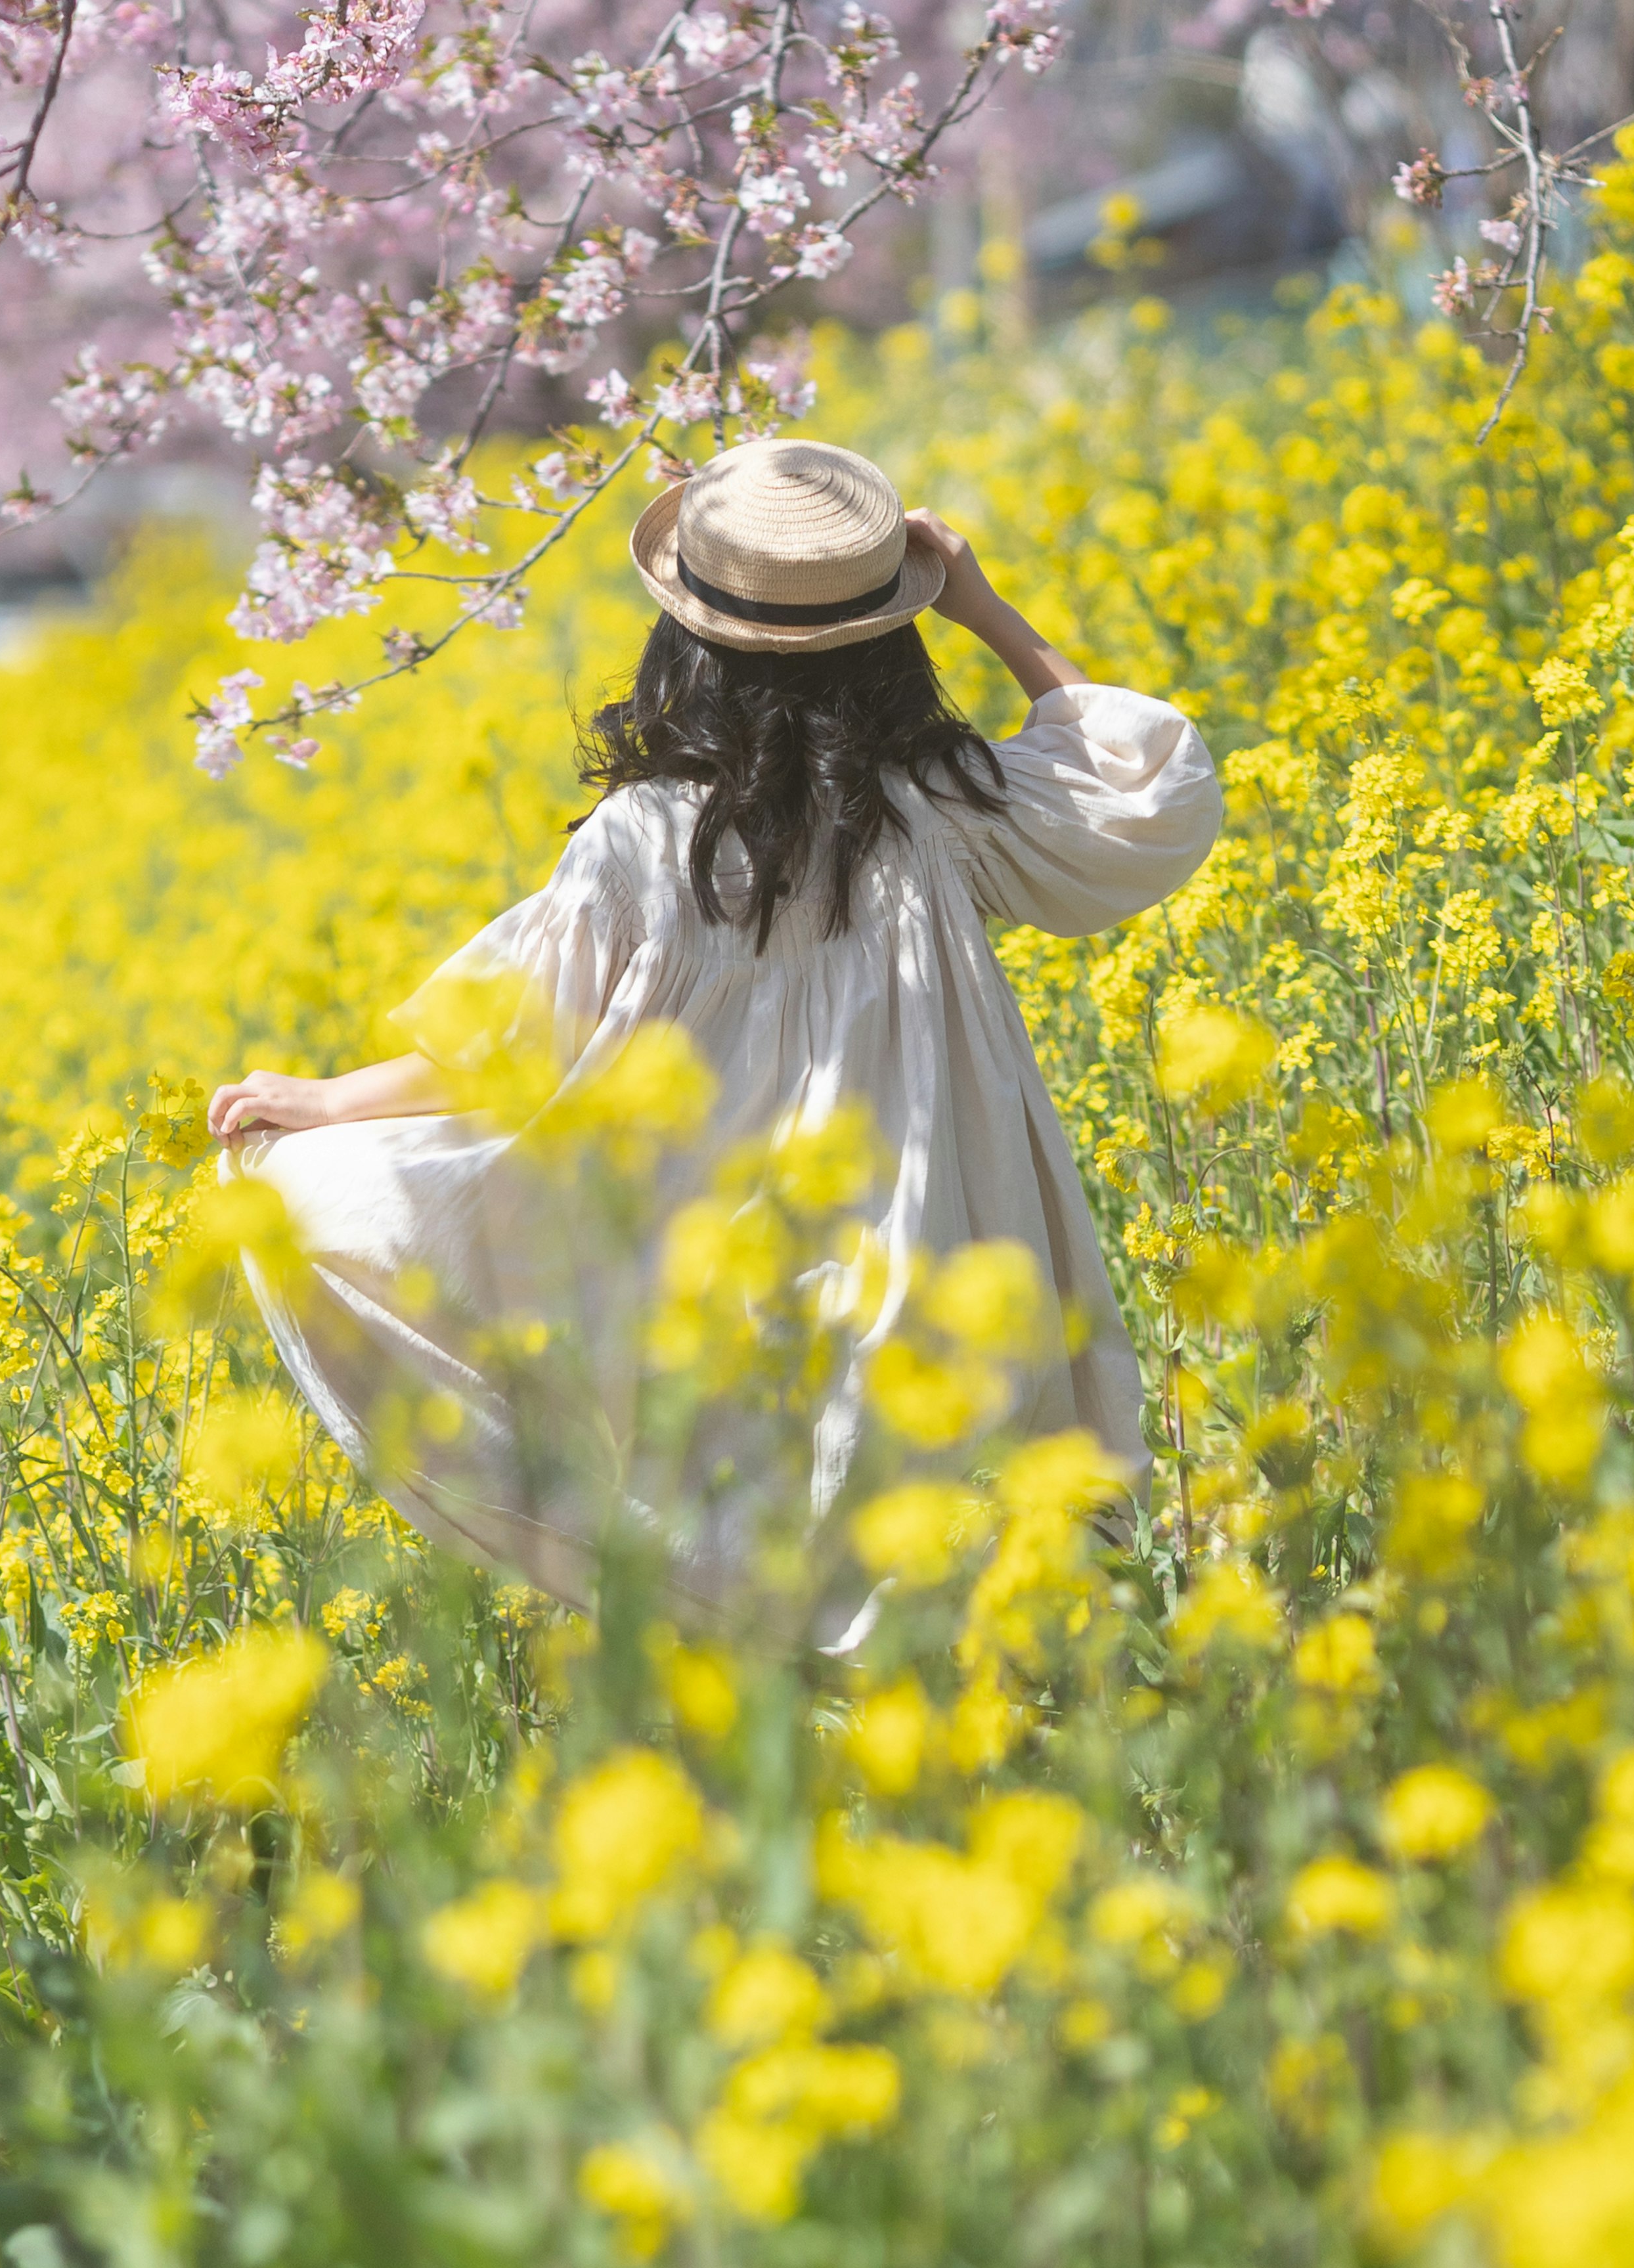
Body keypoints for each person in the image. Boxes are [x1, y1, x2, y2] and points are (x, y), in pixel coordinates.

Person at [208, 435, 1222, 1629]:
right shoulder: (941, 808)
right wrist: (986, 609)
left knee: (761, 1566)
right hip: (934, 1231)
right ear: (893, 638)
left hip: (722, 1258)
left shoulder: (642, 838)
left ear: (682, 642)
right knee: (962, 1566)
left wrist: (321, 1106)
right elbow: (1141, 790)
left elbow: (510, 1046)